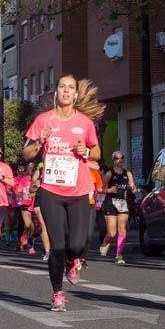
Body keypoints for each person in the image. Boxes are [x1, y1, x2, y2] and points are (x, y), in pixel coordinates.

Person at [22, 74, 103, 311]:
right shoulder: (43, 120)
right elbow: (26, 154)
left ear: (76, 95)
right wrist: (39, 142)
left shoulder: (85, 123)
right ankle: (57, 293)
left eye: (70, 88)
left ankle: (73, 259)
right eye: (62, 87)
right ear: (56, 92)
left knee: (79, 243)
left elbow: (97, 152)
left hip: (77, 191)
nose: (66, 91)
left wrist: (86, 152)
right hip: (50, 191)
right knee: (57, 244)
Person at [101, 151, 137, 265]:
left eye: (122, 158)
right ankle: (105, 242)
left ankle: (119, 255)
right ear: (113, 160)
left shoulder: (128, 173)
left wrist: (133, 188)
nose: (120, 160)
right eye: (117, 158)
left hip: (122, 203)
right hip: (110, 202)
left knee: (122, 229)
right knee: (112, 232)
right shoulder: (109, 173)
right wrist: (109, 190)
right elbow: (100, 188)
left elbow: (133, 188)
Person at [13, 162, 38, 255]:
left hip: (36, 204)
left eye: (33, 168)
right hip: (25, 204)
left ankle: (29, 243)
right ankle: (27, 242)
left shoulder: (39, 180)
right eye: (29, 168)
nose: (31, 169)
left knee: (35, 228)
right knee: (28, 225)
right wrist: (21, 195)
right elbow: (18, 191)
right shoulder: (24, 179)